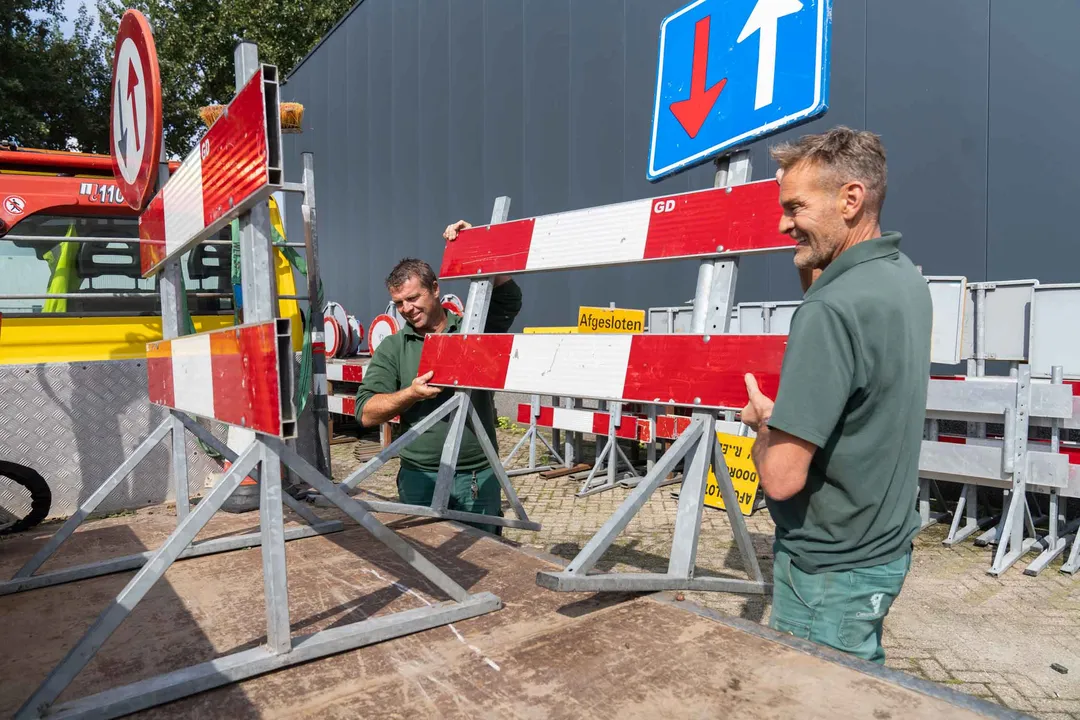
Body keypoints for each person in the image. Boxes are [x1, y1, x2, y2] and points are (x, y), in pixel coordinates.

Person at [739, 126, 932, 664]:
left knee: (816, 697)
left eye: (795, 207)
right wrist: (810, 242)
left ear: (851, 198)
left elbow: (781, 479)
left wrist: (763, 424)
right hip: (883, 546)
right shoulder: (904, 281)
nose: (782, 223)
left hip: (828, 568)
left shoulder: (828, 314)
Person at [354, 220, 522, 535]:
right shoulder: (394, 347)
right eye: (399, 303)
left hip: (476, 474)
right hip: (420, 477)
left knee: (490, 556)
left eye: (414, 298)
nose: (406, 308)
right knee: (425, 560)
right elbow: (365, 412)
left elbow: (509, 298)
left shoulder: (471, 331)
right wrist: (411, 394)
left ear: (435, 289)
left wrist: (476, 245)